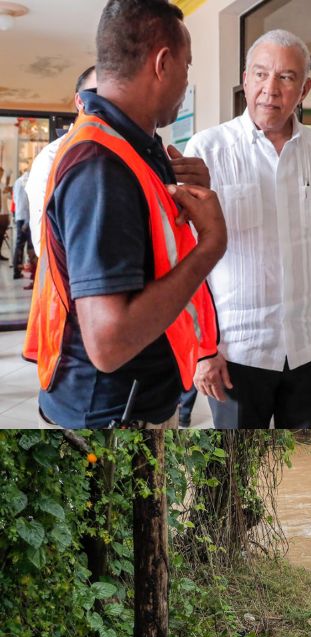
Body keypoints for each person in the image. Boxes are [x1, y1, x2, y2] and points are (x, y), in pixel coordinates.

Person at [23, 0, 224, 429]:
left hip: (136, 398)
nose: (187, 82)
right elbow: (109, 344)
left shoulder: (133, 146)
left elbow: (147, 250)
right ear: (163, 63)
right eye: (187, 67)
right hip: (112, 413)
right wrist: (211, 246)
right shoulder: (101, 165)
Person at [186, 29, 311, 429]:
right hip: (234, 353)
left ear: (304, 88)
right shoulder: (206, 150)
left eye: (286, 77)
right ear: (245, 79)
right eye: (261, 74)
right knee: (234, 471)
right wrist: (200, 349)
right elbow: (188, 262)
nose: (271, 89)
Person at [27, 67, 100, 260]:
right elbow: (45, 244)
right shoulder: (51, 158)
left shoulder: (126, 151)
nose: (106, 103)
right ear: (79, 101)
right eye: (96, 94)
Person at [10, 171, 32, 282]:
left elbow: (15, 200)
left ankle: (16, 271)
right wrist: (27, 221)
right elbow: (28, 203)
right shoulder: (28, 181)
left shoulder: (17, 182)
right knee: (31, 247)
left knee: (19, 245)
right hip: (26, 218)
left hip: (19, 216)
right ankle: (33, 274)